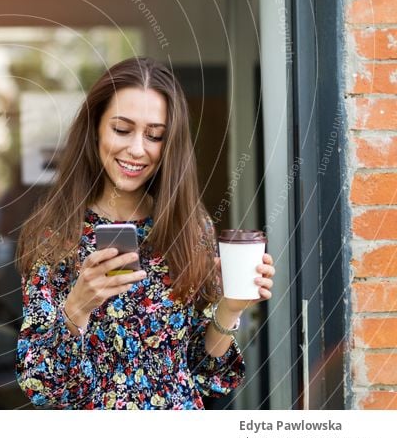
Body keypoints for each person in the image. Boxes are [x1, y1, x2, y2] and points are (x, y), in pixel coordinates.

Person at [14, 57, 276, 409]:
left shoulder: (191, 227)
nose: (138, 149)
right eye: (122, 129)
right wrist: (77, 307)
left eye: (155, 136)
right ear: (95, 129)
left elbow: (203, 370)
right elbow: (40, 385)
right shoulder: (54, 233)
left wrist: (230, 308)